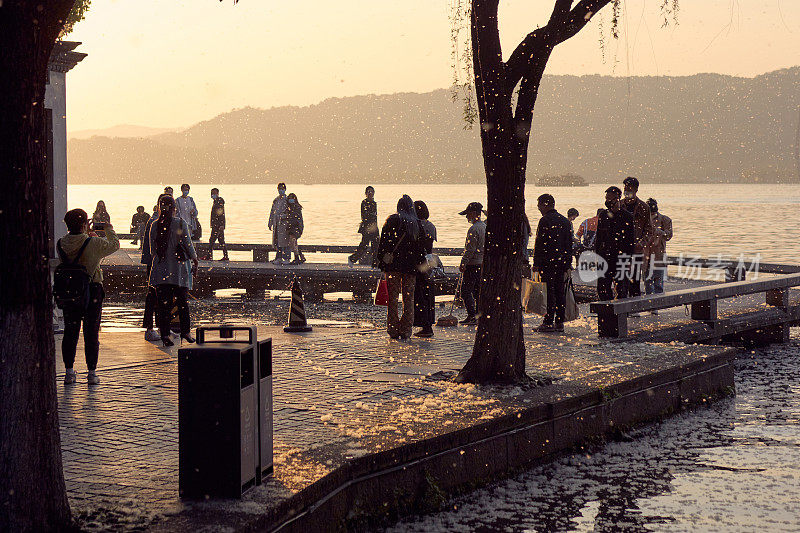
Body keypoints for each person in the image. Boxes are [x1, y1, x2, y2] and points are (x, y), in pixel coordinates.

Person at [58, 208, 120, 384]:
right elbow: (114, 245)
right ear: (85, 224)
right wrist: (108, 228)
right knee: (91, 332)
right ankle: (91, 373)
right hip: (91, 290)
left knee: (70, 331)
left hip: (69, 291)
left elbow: (77, 250)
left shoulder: (61, 242)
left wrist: (89, 236)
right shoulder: (93, 242)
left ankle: (69, 372)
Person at [148, 194, 199, 347]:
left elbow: (152, 251)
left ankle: (165, 334)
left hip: (161, 270)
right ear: (174, 209)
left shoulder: (154, 225)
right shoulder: (180, 223)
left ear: (159, 208)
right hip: (179, 270)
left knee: (164, 305)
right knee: (183, 302)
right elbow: (189, 245)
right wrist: (195, 260)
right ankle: (186, 332)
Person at [374, 195, 424, 339]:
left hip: (393, 266)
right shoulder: (416, 224)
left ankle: (393, 328)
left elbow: (382, 244)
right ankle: (406, 329)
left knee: (393, 299)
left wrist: (382, 260)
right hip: (410, 268)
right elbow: (421, 249)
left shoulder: (391, 221)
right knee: (409, 299)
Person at [532, 194, 574, 333]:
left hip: (547, 262)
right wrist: (568, 263)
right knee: (560, 291)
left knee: (549, 292)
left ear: (545, 204)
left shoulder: (545, 221)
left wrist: (536, 263)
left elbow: (539, 243)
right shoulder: (565, 221)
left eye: (539, 205)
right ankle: (560, 321)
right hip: (561, 263)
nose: (538, 208)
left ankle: (548, 321)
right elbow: (569, 245)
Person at [596, 187, 635, 301]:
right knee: (603, 288)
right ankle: (606, 314)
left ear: (617, 198)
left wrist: (628, 260)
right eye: (606, 198)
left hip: (621, 258)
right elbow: (599, 238)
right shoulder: (603, 215)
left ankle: (621, 315)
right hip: (605, 257)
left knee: (622, 288)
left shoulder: (627, 216)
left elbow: (630, 240)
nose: (607, 200)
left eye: (609, 198)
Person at [621, 177, 654, 298]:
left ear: (636, 189)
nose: (626, 190)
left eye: (629, 188)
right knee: (621, 280)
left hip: (637, 250)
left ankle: (635, 307)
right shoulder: (619, 205)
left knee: (635, 279)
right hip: (621, 249)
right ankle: (622, 308)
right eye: (625, 187)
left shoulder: (644, 207)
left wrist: (641, 244)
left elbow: (649, 230)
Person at [458, 201, 486, 326]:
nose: (466, 217)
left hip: (473, 264)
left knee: (465, 291)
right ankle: (479, 314)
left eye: (468, 214)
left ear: (474, 213)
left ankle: (471, 315)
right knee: (477, 291)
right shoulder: (484, 227)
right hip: (481, 263)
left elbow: (470, 249)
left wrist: (463, 262)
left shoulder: (473, 229)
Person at [412, 200, 436, 338]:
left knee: (419, 294)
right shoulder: (431, 226)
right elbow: (429, 247)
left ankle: (424, 325)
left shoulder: (415, 226)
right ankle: (428, 323)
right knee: (428, 294)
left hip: (419, 263)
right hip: (429, 262)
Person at [644, 198, 673, 309]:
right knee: (647, 282)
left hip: (659, 255)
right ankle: (650, 306)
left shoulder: (665, 220)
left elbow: (669, 235)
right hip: (646, 256)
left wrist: (660, 232)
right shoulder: (643, 220)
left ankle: (657, 306)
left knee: (658, 283)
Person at [141, 199, 162, 341]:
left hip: (158, 263)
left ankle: (162, 328)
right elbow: (152, 246)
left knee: (160, 297)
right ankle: (150, 328)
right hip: (155, 264)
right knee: (153, 296)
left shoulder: (159, 220)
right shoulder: (155, 221)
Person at [348, 186, 379, 265]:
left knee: (376, 245)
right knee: (364, 245)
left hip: (374, 228)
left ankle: (375, 263)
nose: (370, 193)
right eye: (368, 192)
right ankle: (352, 259)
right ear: (366, 193)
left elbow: (375, 217)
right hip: (367, 228)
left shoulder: (374, 203)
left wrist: (376, 228)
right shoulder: (364, 203)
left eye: (372, 192)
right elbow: (365, 216)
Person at [283, 193, 306, 264]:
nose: (291, 200)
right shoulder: (288, 208)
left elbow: (296, 219)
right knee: (293, 242)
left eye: (292, 198)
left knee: (292, 241)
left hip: (296, 228)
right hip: (291, 228)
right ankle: (301, 256)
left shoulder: (296, 208)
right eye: (290, 198)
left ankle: (297, 258)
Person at [268, 183, 289, 263]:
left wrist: (283, 216)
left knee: (285, 242)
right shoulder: (276, 200)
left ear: (285, 189)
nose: (281, 190)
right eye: (279, 189)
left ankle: (286, 258)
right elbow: (272, 212)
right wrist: (270, 223)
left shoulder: (287, 200)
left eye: (282, 189)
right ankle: (278, 258)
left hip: (284, 224)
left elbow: (289, 213)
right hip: (276, 223)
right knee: (277, 241)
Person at [209, 187, 229, 261]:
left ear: (217, 193)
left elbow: (221, 214)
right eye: (212, 193)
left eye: (214, 193)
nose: (212, 195)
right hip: (216, 224)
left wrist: (221, 225)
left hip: (217, 225)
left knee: (212, 240)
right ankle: (225, 256)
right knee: (220, 240)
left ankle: (209, 256)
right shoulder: (216, 202)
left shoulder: (219, 201)